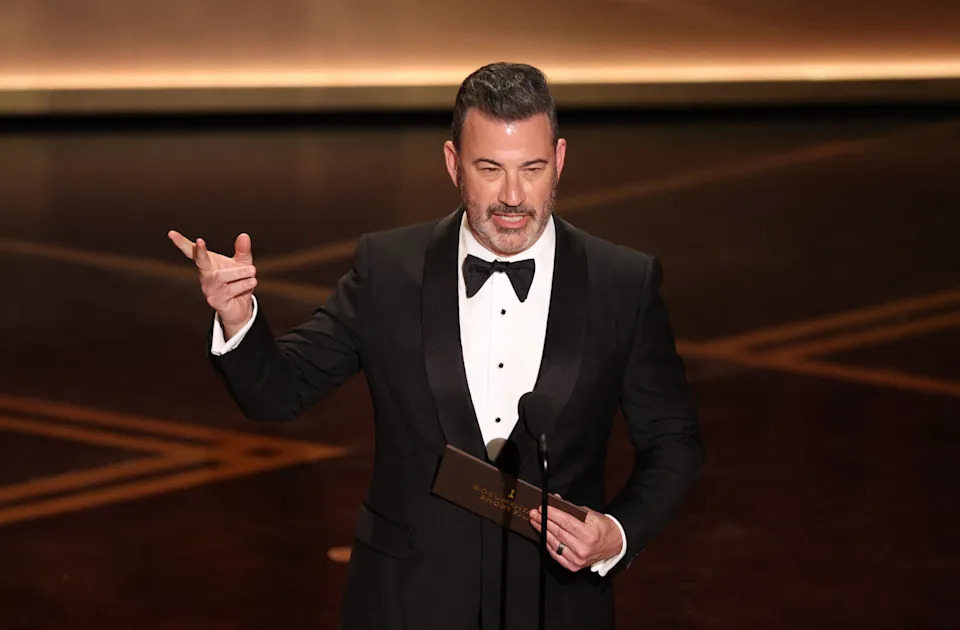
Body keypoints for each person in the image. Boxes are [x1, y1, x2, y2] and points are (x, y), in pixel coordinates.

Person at [168, 62, 703, 630]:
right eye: (490, 169)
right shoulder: (389, 269)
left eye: (533, 168)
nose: (514, 195)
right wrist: (238, 316)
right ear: (453, 164)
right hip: (405, 601)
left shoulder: (623, 282)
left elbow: (675, 442)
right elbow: (279, 392)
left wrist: (616, 533)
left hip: (557, 607)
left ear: (561, 161)